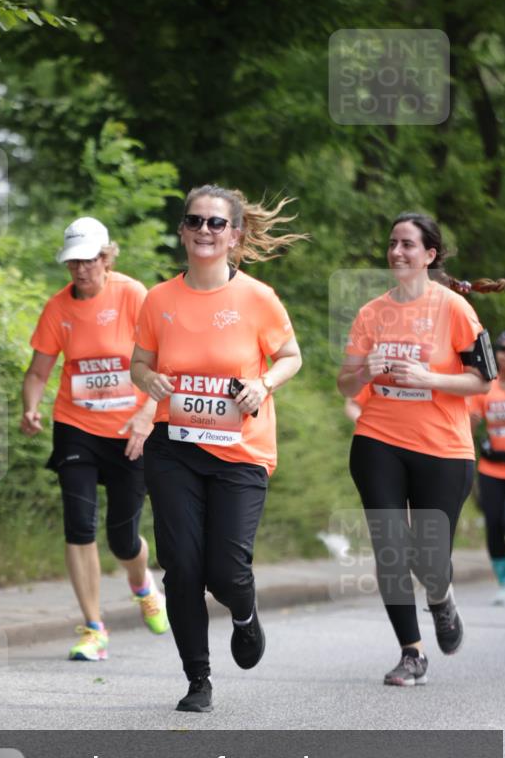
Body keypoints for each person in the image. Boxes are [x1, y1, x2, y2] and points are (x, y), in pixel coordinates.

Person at [130, 185, 304, 713]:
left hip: (241, 450)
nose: (204, 231)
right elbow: (138, 364)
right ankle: (198, 679)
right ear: (182, 230)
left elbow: (290, 356)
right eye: (195, 222)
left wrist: (264, 384)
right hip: (174, 447)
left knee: (227, 572)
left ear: (234, 235)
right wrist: (151, 380)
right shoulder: (158, 300)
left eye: (215, 224)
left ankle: (245, 614)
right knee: (182, 565)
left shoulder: (258, 297)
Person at [337, 211, 505, 687]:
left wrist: (430, 378)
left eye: (408, 245)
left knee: (430, 557)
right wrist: (365, 371)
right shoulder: (372, 312)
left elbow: (484, 377)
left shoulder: (454, 308)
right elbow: (345, 385)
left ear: (430, 255)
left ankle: (440, 597)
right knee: (390, 549)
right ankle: (411, 653)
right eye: (392, 243)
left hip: (443, 447)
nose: (396, 252)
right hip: (379, 440)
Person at [21, 216, 169, 661]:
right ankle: (93, 628)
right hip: (76, 427)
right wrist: (30, 406)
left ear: (107, 258)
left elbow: (163, 362)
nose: (80, 270)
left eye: (89, 261)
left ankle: (143, 585)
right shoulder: (58, 309)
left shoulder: (132, 295)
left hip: (130, 431)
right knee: (79, 525)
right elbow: (38, 371)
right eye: (73, 263)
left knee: (123, 539)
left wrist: (147, 414)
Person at [468, 329, 505, 605]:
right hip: (491, 468)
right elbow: (471, 422)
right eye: (503, 348)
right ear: (496, 353)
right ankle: (504, 585)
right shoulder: (486, 386)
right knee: (493, 526)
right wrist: (471, 421)